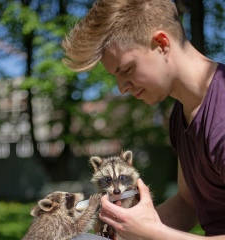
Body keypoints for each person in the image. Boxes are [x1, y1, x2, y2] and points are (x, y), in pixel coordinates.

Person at [63, 0, 225, 239]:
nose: (121, 88)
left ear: (161, 43)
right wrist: (123, 230)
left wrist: (153, 234)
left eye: (126, 69)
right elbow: (187, 202)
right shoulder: (182, 115)